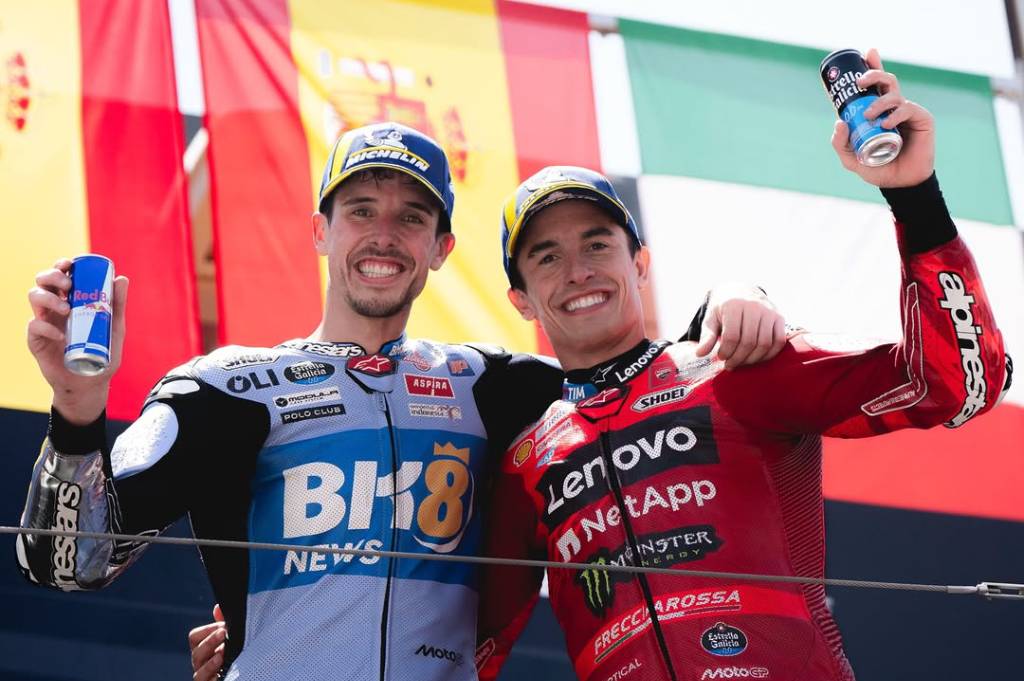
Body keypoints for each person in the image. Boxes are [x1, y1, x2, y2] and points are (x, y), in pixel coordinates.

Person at [20, 122, 784, 681]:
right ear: (320, 231)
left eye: (411, 217)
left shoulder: (497, 386)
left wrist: (735, 295)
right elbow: (67, 564)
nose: (383, 235)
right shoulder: (225, 386)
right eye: (360, 210)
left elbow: (645, 380)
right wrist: (76, 409)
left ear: (440, 249)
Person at [473, 52, 1012, 681]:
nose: (578, 272)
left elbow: (954, 384)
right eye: (547, 257)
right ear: (520, 299)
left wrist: (914, 195)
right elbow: (464, 648)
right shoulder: (525, 459)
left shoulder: (732, 368)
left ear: (640, 264)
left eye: (597, 244)